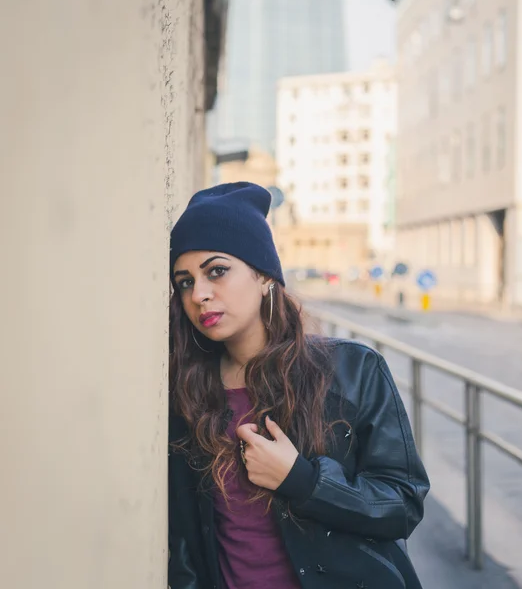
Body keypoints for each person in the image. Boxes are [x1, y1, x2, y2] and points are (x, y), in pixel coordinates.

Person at [168, 182, 430, 589]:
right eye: (185, 281)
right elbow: (185, 540)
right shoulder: (188, 393)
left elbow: (403, 502)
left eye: (217, 271)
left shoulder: (351, 370)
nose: (199, 294)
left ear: (265, 276)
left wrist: (304, 481)